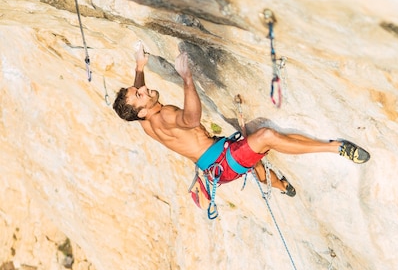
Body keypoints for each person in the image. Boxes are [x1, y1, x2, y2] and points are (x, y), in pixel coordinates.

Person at [113, 43, 370, 199]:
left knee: (254, 156)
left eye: (138, 89)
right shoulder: (165, 115)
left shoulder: (144, 121)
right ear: (142, 110)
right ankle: (336, 147)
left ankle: (282, 186)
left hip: (215, 165)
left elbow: (137, 100)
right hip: (223, 162)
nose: (143, 90)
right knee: (265, 138)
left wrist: (139, 67)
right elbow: (191, 120)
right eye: (139, 94)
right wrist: (187, 78)